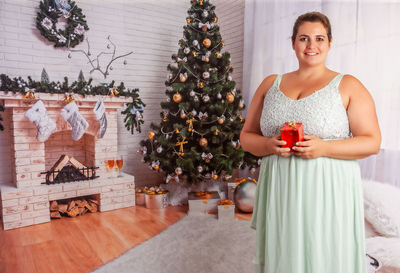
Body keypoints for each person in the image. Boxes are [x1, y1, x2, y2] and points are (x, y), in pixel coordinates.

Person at [240, 11, 381, 273]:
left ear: (330, 43)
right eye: (304, 38)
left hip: (327, 190)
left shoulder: (348, 85)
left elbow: (372, 142)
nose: (311, 45)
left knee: (323, 255)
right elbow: (246, 137)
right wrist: (269, 146)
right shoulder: (270, 83)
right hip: (280, 188)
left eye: (319, 38)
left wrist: (324, 147)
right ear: (293, 42)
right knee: (283, 254)